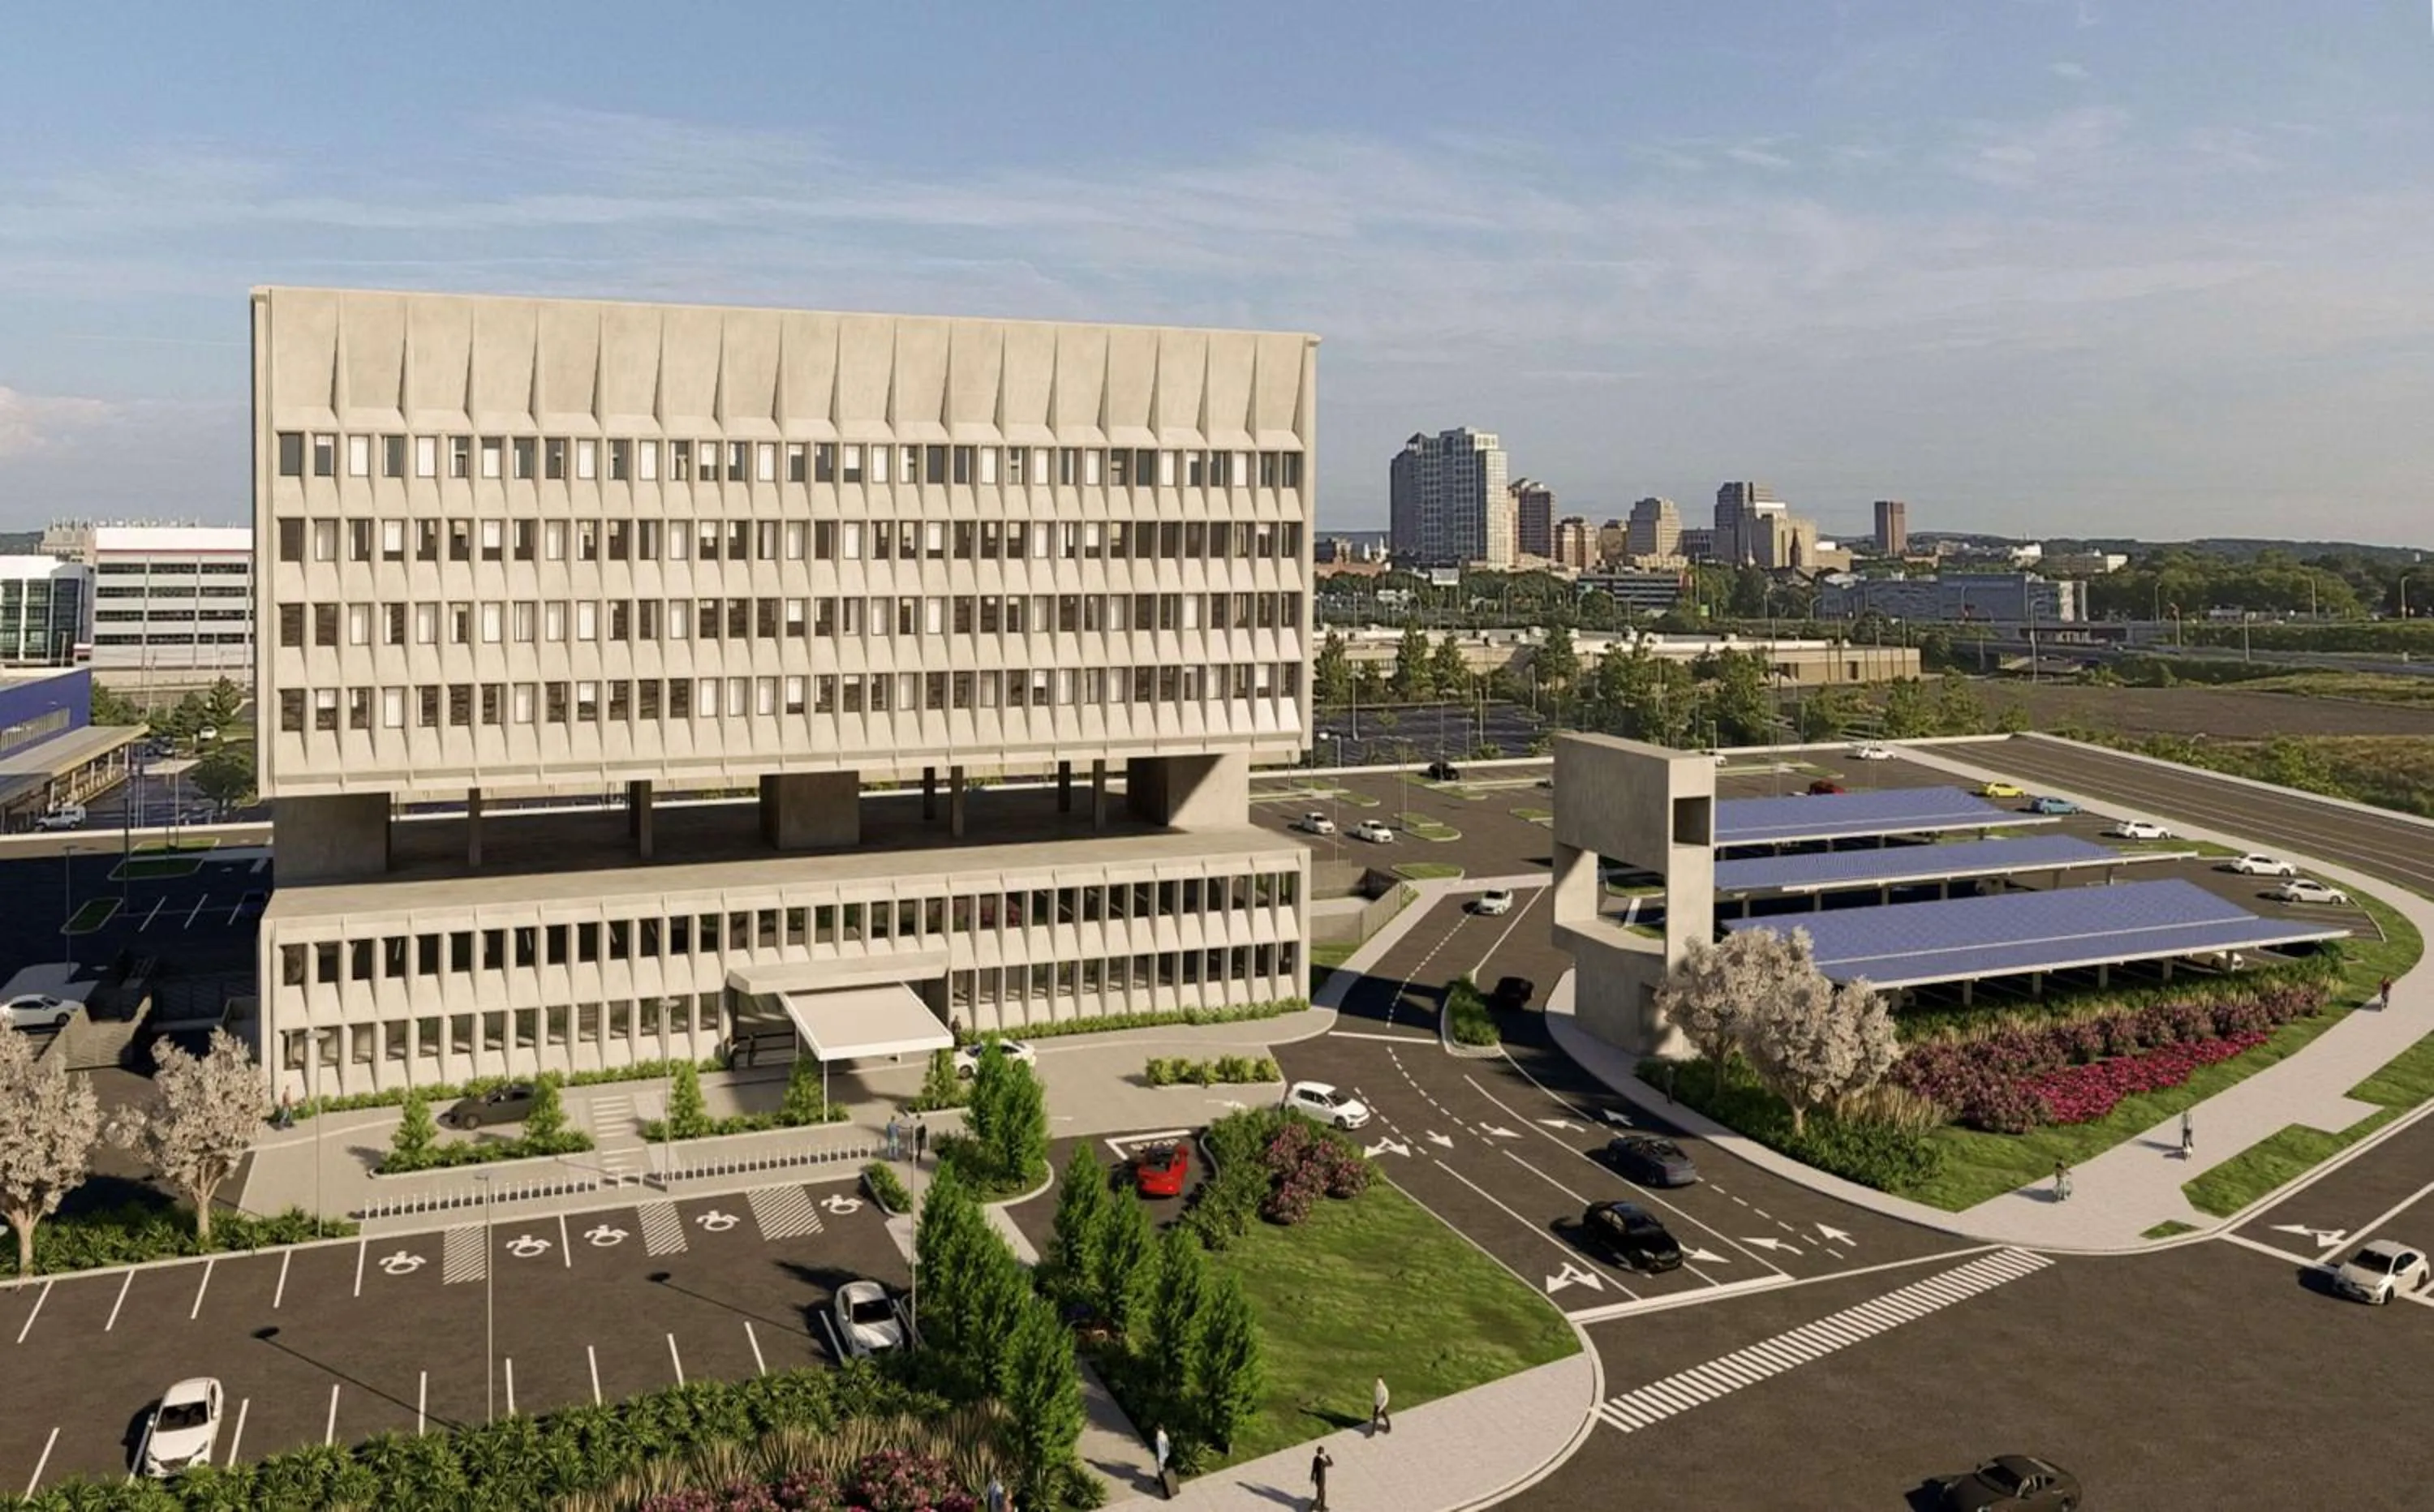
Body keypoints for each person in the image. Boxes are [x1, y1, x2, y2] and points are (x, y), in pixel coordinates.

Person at [1309, 1444, 1334, 1511]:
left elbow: (1313, 1469)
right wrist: (1328, 1456)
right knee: (1320, 1495)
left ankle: (1322, 1507)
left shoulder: (1315, 1458)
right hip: (1321, 1480)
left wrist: (1312, 1477)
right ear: (1322, 1452)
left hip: (1317, 1479)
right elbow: (1331, 1464)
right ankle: (1312, 1506)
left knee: (1323, 1493)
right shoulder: (1322, 1461)